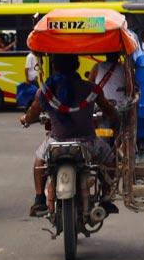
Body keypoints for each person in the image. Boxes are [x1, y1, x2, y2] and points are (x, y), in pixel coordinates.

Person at [21, 54, 120, 216]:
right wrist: (114, 114)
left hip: (56, 145)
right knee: (109, 159)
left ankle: (39, 199)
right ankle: (106, 198)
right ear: (77, 65)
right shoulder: (92, 89)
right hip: (88, 144)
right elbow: (109, 112)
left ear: (55, 67)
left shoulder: (45, 91)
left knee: (39, 161)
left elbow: (32, 115)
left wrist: (25, 118)